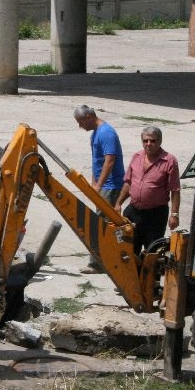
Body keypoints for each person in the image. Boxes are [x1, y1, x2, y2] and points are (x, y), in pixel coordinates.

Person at [73, 104, 124, 274]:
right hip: (102, 186)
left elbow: (110, 161)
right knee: (100, 222)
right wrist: (93, 185)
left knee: (101, 224)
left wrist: (100, 185)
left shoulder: (106, 133)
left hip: (110, 186)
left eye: (81, 122)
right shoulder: (95, 133)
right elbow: (97, 161)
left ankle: (98, 264)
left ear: (89, 117)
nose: (80, 126)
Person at [114, 126, 181, 255]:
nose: (148, 144)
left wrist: (174, 215)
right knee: (128, 250)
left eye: (152, 141)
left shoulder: (169, 161)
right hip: (133, 212)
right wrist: (118, 203)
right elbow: (128, 183)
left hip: (155, 215)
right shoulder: (137, 156)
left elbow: (175, 190)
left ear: (160, 141)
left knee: (152, 253)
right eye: (145, 141)